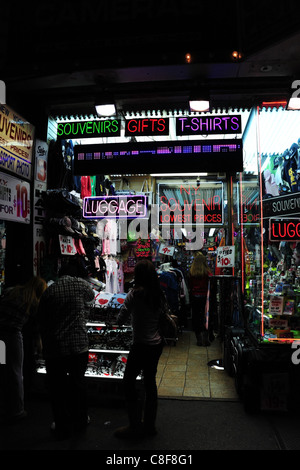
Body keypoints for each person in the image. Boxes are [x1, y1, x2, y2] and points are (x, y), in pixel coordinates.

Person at [114, 259, 174, 439]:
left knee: (129, 383)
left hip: (139, 345)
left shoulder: (134, 294)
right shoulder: (159, 294)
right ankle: (149, 425)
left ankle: (134, 424)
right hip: (155, 345)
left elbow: (121, 319)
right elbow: (164, 316)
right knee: (150, 383)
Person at [37, 259, 94, 440]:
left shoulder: (50, 290)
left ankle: (61, 423)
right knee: (78, 384)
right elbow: (91, 297)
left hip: (56, 347)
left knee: (57, 388)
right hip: (78, 345)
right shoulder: (81, 284)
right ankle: (81, 419)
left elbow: (42, 319)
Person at [0, 276, 47, 422]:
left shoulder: (10, 291)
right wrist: (40, 345)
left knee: (2, 368)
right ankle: (16, 410)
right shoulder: (33, 302)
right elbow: (37, 327)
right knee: (15, 372)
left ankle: (2, 407)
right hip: (12, 336)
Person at [188, 252, 212, 346]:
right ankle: (205, 339)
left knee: (196, 317)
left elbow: (190, 285)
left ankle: (199, 339)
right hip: (205, 297)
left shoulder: (192, 272)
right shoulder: (207, 273)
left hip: (195, 297)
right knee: (205, 317)